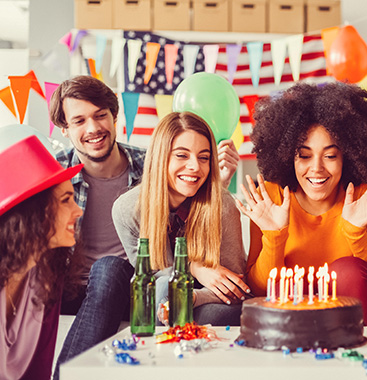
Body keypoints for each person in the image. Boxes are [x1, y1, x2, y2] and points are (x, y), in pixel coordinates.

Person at [51, 76, 240, 377]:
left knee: (117, 271)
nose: (93, 128)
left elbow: (162, 264)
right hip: (80, 284)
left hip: (136, 285)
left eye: (101, 115)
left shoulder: (149, 164)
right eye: (79, 120)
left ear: (114, 117)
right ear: (64, 129)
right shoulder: (53, 174)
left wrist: (216, 185)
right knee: (110, 269)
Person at [238, 82, 367, 326]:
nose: (316, 169)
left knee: (346, 270)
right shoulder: (271, 196)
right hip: (302, 318)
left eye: (330, 156)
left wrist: (357, 234)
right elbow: (260, 289)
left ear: (348, 157)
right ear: (288, 156)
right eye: (304, 156)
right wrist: (274, 236)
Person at [112, 112, 248, 325]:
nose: (195, 166)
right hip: (159, 299)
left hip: (205, 302)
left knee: (220, 315)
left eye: (204, 157)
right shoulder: (127, 209)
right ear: (160, 157)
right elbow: (151, 278)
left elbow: (235, 287)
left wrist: (193, 297)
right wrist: (193, 268)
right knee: (165, 287)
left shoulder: (223, 206)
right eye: (182, 155)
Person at [0, 136, 83, 380]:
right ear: (30, 212)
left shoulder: (46, 276)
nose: (78, 210)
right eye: (66, 200)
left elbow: (39, 370)